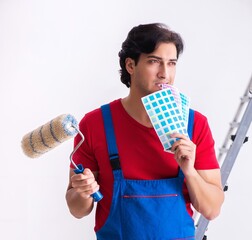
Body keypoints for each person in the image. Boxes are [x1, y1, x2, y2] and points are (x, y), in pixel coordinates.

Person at [65, 23, 224, 239]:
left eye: (171, 63)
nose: (165, 74)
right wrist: (83, 191)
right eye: (154, 62)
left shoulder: (195, 124)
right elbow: (77, 210)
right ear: (130, 65)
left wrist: (190, 171)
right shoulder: (95, 124)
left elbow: (212, 209)